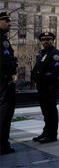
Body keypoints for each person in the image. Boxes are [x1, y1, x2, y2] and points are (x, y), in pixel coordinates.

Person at [31, 32, 59, 144]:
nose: (46, 41)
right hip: (42, 87)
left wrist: (44, 77)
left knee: (51, 111)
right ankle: (46, 132)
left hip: (50, 87)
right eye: (44, 39)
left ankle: (52, 135)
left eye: (49, 39)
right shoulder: (42, 54)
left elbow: (58, 71)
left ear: (53, 41)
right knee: (45, 111)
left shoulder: (55, 54)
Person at [0, 12, 17, 154]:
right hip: (3, 81)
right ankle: (2, 144)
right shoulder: (1, 39)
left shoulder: (3, 38)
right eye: (6, 21)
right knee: (5, 113)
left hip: (4, 80)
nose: (9, 24)